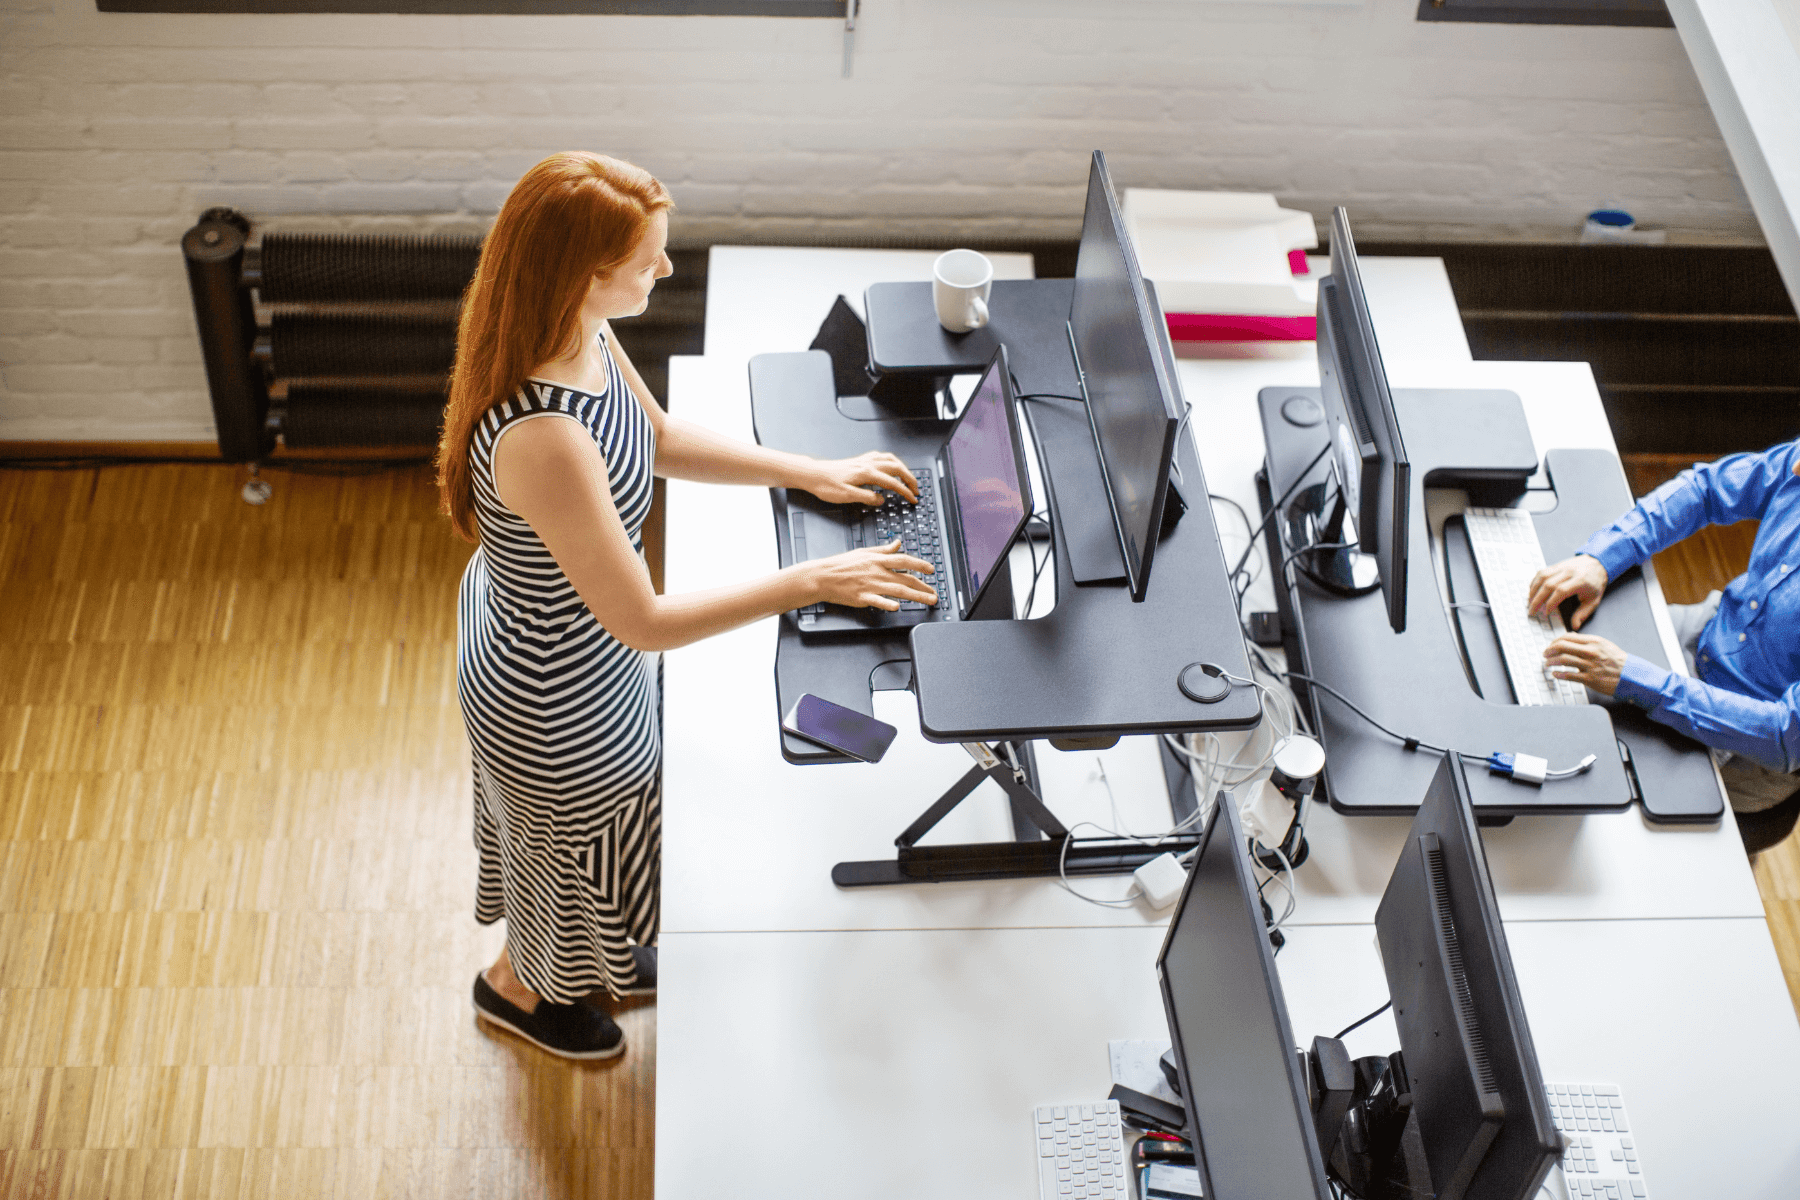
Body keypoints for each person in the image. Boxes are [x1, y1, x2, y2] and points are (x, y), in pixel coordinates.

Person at [436, 152, 937, 1059]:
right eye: (648, 260)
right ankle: (519, 990)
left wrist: (809, 470)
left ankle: (593, 954)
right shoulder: (543, 437)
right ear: (588, 274)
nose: (664, 272)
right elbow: (647, 622)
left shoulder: (578, 329)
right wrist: (814, 580)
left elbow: (658, 439)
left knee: (605, 838)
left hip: (575, 644)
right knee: (569, 853)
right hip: (552, 690)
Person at [1528, 439, 1800, 850]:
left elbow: (1783, 734)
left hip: (1748, 744)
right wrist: (1601, 558)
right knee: (1539, 655)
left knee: (1587, 801)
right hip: (1708, 633)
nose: (1794, 470)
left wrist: (1636, 680)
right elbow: (1707, 489)